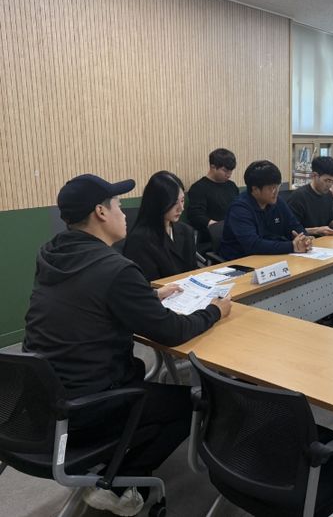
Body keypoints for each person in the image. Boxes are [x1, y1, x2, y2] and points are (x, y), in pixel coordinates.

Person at [23, 174, 232, 516]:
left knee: (147, 386)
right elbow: (171, 331)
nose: (124, 214)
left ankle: (120, 454)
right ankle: (118, 484)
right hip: (88, 405)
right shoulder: (116, 268)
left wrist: (146, 295)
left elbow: (85, 294)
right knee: (197, 401)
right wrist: (214, 311)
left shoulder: (52, 253)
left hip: (41, 400)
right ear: (100, 212)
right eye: (119, 206)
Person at [220, 160, 313, 260]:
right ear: (255, 189)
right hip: (242, 260)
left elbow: (294, 225)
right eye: (271, 188)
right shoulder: (239, 209)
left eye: (278, 186)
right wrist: (292, 246)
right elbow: (253, 245)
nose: (276, 192)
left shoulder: (277, 202)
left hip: (271, 255)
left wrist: (305, 239)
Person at [123, 171, 197, 281]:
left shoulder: (186, 231)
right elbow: (146, 283)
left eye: (182, 201)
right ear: (158, 202)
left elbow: (193, 271)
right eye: (174, 203)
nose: (181, 208)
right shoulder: (139, 240)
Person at [287, 156, 333, 236]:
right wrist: (316, 230)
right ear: (314, 175)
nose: (330, 185)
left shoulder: (328, 195)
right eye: (327, 180)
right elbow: (291, 230)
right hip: (306, 241)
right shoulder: (298, 197)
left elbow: (329, 222)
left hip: (325, 240)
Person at [187, 148, 239, 244]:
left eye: (231, 171)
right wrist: (218, 227)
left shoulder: (231, 186)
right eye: (225, 171)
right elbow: (195, 215)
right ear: (213, 167)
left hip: (235, 233)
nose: (229, 175)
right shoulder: (199, 188)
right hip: (213, 238)